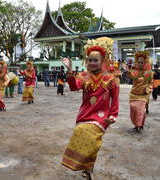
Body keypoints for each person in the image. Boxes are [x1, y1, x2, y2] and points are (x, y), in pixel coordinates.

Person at [61, 37, 119, 180]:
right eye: (90, 60)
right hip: (85, 114)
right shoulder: (83, 76)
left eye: (95, 60)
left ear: (103, 61)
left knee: (90, 138)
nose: (92, 63)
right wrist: (69, 70)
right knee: (83, 134)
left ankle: (88, 168)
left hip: (101, 116)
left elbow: (115, 99)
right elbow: (74, 87)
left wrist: (113, 115)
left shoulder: (111, 79)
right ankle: (88, 168)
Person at [128, 51, 153, 133]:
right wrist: (129, 70)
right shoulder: (134, 72)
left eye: (142, 62)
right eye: (139, 62)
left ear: (145, 62)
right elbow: (130, 76)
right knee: (134, 110)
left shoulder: (149, 73)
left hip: (143, 95)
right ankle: (137, 124)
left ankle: (139, 125)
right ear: (137, 62)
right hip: (133, 94)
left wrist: (148, 89)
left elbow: (151, 83)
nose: (141, 64)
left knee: (140, 110)